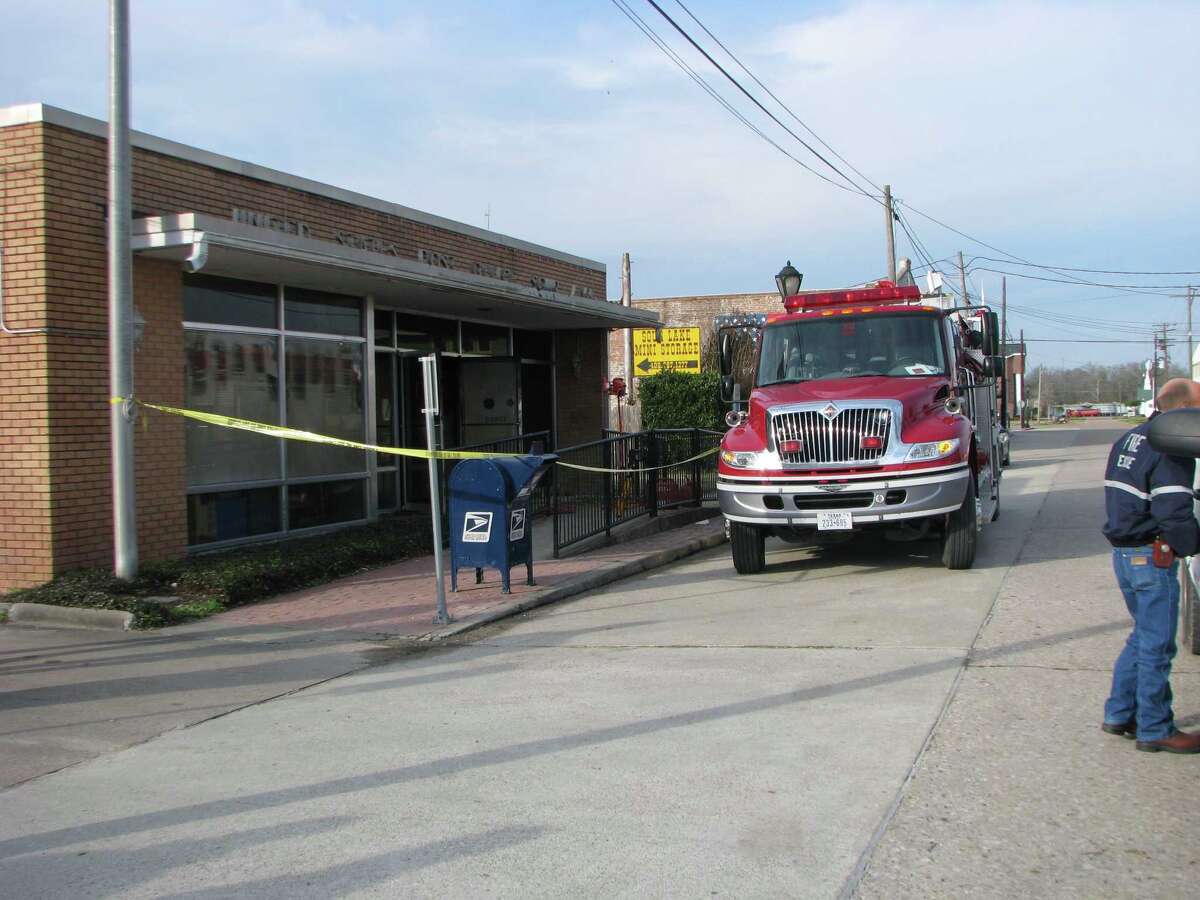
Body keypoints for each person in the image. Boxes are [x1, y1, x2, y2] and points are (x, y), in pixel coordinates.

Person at [1101, 377, 1200, 753]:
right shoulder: (1170, 446)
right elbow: (1174, 512)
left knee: (1142, 636)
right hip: (1150, 556)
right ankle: (1155, 727)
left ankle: (1120, 712)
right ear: (1183, 412)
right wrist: (1191, 546)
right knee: (1158, 646)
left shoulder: (1131, 438)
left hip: (1125, 555)